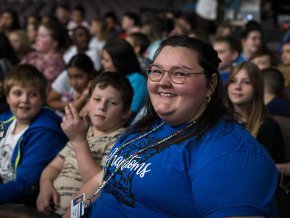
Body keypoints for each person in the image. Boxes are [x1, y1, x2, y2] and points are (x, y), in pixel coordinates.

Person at [65, 35, 278, 217]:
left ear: (210, 84)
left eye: (180, 74)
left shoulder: (232, 155)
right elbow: (103, 178)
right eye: (157, 71)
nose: (162, 82)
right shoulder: (149, 126)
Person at [36, 72, 133, 216]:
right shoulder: (84, 131)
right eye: (97, 99)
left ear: (126, 113)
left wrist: (78, 141)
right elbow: (53, 166)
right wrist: (45, 186)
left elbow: (99, 187)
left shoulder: (122, 140)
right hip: (49, 207)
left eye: (112, 103)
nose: (102, 107)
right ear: (88, 102)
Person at [0, 64, 67, 204]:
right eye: (18, 93)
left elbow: (25, 187)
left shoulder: (46, 133)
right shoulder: (5, 120)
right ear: (7, 97)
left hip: (22, 202)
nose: (24, 100)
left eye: (33, 94)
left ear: (42, 99)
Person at [224, 62, 285, 163]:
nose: (237, 87)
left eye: (246, 82)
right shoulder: (218, 120)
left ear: (257, 88)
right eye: (233, 81)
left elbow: (270, 169)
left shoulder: (268, 126)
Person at [101, 38, 147, 120]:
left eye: (106, 60)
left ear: (119, 62)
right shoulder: (111, 77)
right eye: (102, 59)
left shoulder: (138, 80)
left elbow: (128, 114)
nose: (102, 63)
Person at [21, 20, 69, 94]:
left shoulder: (57, 64)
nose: (37, 38)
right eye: (37, 35)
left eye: (42, 36)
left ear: (54, 43)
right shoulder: (31, 55)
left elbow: (42, 90)